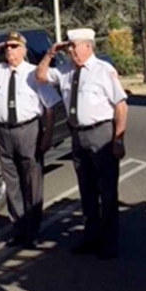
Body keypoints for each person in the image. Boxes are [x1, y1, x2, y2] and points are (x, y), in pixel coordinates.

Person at [36, 28, 128, 259]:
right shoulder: (65, 70)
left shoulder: (103, 70)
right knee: (87, 190)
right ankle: (91, 236)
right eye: (69, 47)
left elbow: (121, 106)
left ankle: (109, 242)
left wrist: (118, 139)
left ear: (87, 46)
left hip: (101, 134)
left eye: (74, 46)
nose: (70, 50)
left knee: (107, 190)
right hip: (77, 135)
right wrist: (49, 54)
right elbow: (40, 76)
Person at [0, 31, 59, 248]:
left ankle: (33, 231)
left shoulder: (34, 73)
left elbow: (50, 108)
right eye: (7, 47)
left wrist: (47, 136)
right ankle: (19, 229)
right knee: (12, 183)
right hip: (3, 131)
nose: (10, 50)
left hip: (29, 130)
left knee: (32, 183)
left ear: (24, 50)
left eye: (15, 47)